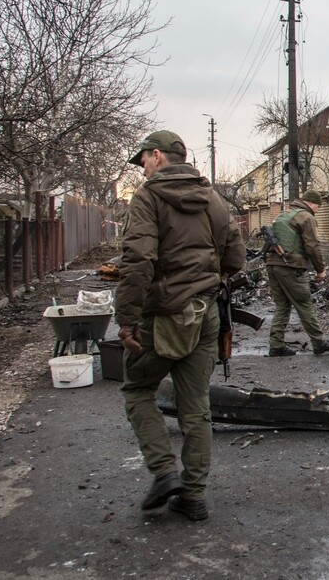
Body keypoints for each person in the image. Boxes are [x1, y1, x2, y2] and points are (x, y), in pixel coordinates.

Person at [114, 130, 245, 522]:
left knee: (138, 390)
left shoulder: (148, 198)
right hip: (203, 314)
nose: (141, 169)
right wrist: (209, 279)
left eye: (143, 161)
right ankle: (193, 496)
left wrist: (125, 319)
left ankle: (164, 472)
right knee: (196, 407)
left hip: (160, 316)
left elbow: (138, 260)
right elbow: (235, 255)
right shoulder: (213, 199)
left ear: (157, 156)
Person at [265, 190, 329, 357]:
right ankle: (318, 342)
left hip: (273, 264)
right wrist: (320, 269)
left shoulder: (285, 214)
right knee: (304, 303)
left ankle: (276, 344)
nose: (317, 210)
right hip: (291, 266)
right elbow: (312, 246)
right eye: (318, 206)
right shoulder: (306, 217)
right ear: (311, 203)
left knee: (282, 305)